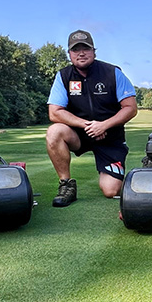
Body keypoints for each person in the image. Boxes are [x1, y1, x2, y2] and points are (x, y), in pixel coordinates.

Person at [46, 30, 137, 207]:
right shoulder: (63, 76)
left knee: (111, 191)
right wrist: (89, 126)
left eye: (86, 48)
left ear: (94, 51)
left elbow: (131, 108)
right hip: (79, 135)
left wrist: (104, 126)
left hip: (110, 138)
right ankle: (66, 185)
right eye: (75, 49)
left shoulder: (113, 72)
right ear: (70, 53)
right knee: (54, 131)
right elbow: (55, 112)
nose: (81, 53)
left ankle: (112, 174)